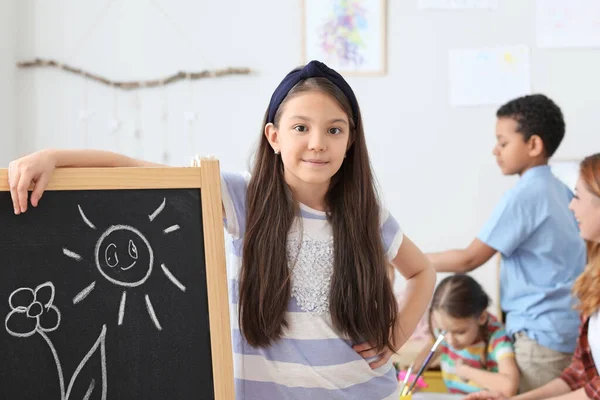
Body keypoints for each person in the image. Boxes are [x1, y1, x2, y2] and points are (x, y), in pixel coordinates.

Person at [6, 60, 436, 400]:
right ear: (274, 136)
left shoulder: (366, 214)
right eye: (301, 128)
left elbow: (422, 273)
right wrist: (53, 157)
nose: (317, 143)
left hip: (365, 392)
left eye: (334, 130)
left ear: (351, 139)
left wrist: (393, 339)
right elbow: (138, 170)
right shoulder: (242, 199)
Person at [426, 94, 586, 391]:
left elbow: (468, 259)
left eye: (503, 142)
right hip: (567, 332)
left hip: (537, 338)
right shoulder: (562, 193)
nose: (495, 151)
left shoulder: (525, 195)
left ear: (534, 145)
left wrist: (406, 260)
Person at [465, 153, 600, 400]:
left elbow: (469, 258)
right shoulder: (592, 279)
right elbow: (581, 374)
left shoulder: (526, 195)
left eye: (578, 196)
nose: (571, 206)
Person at [411, 274, 518, 396]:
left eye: (460, 332)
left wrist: (466, 372)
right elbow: (418, 365)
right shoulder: (446, 333)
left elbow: (509, 387)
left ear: (482, 317)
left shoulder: (497, 338)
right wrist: (411, 379)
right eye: (443, 331)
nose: (450, 341)